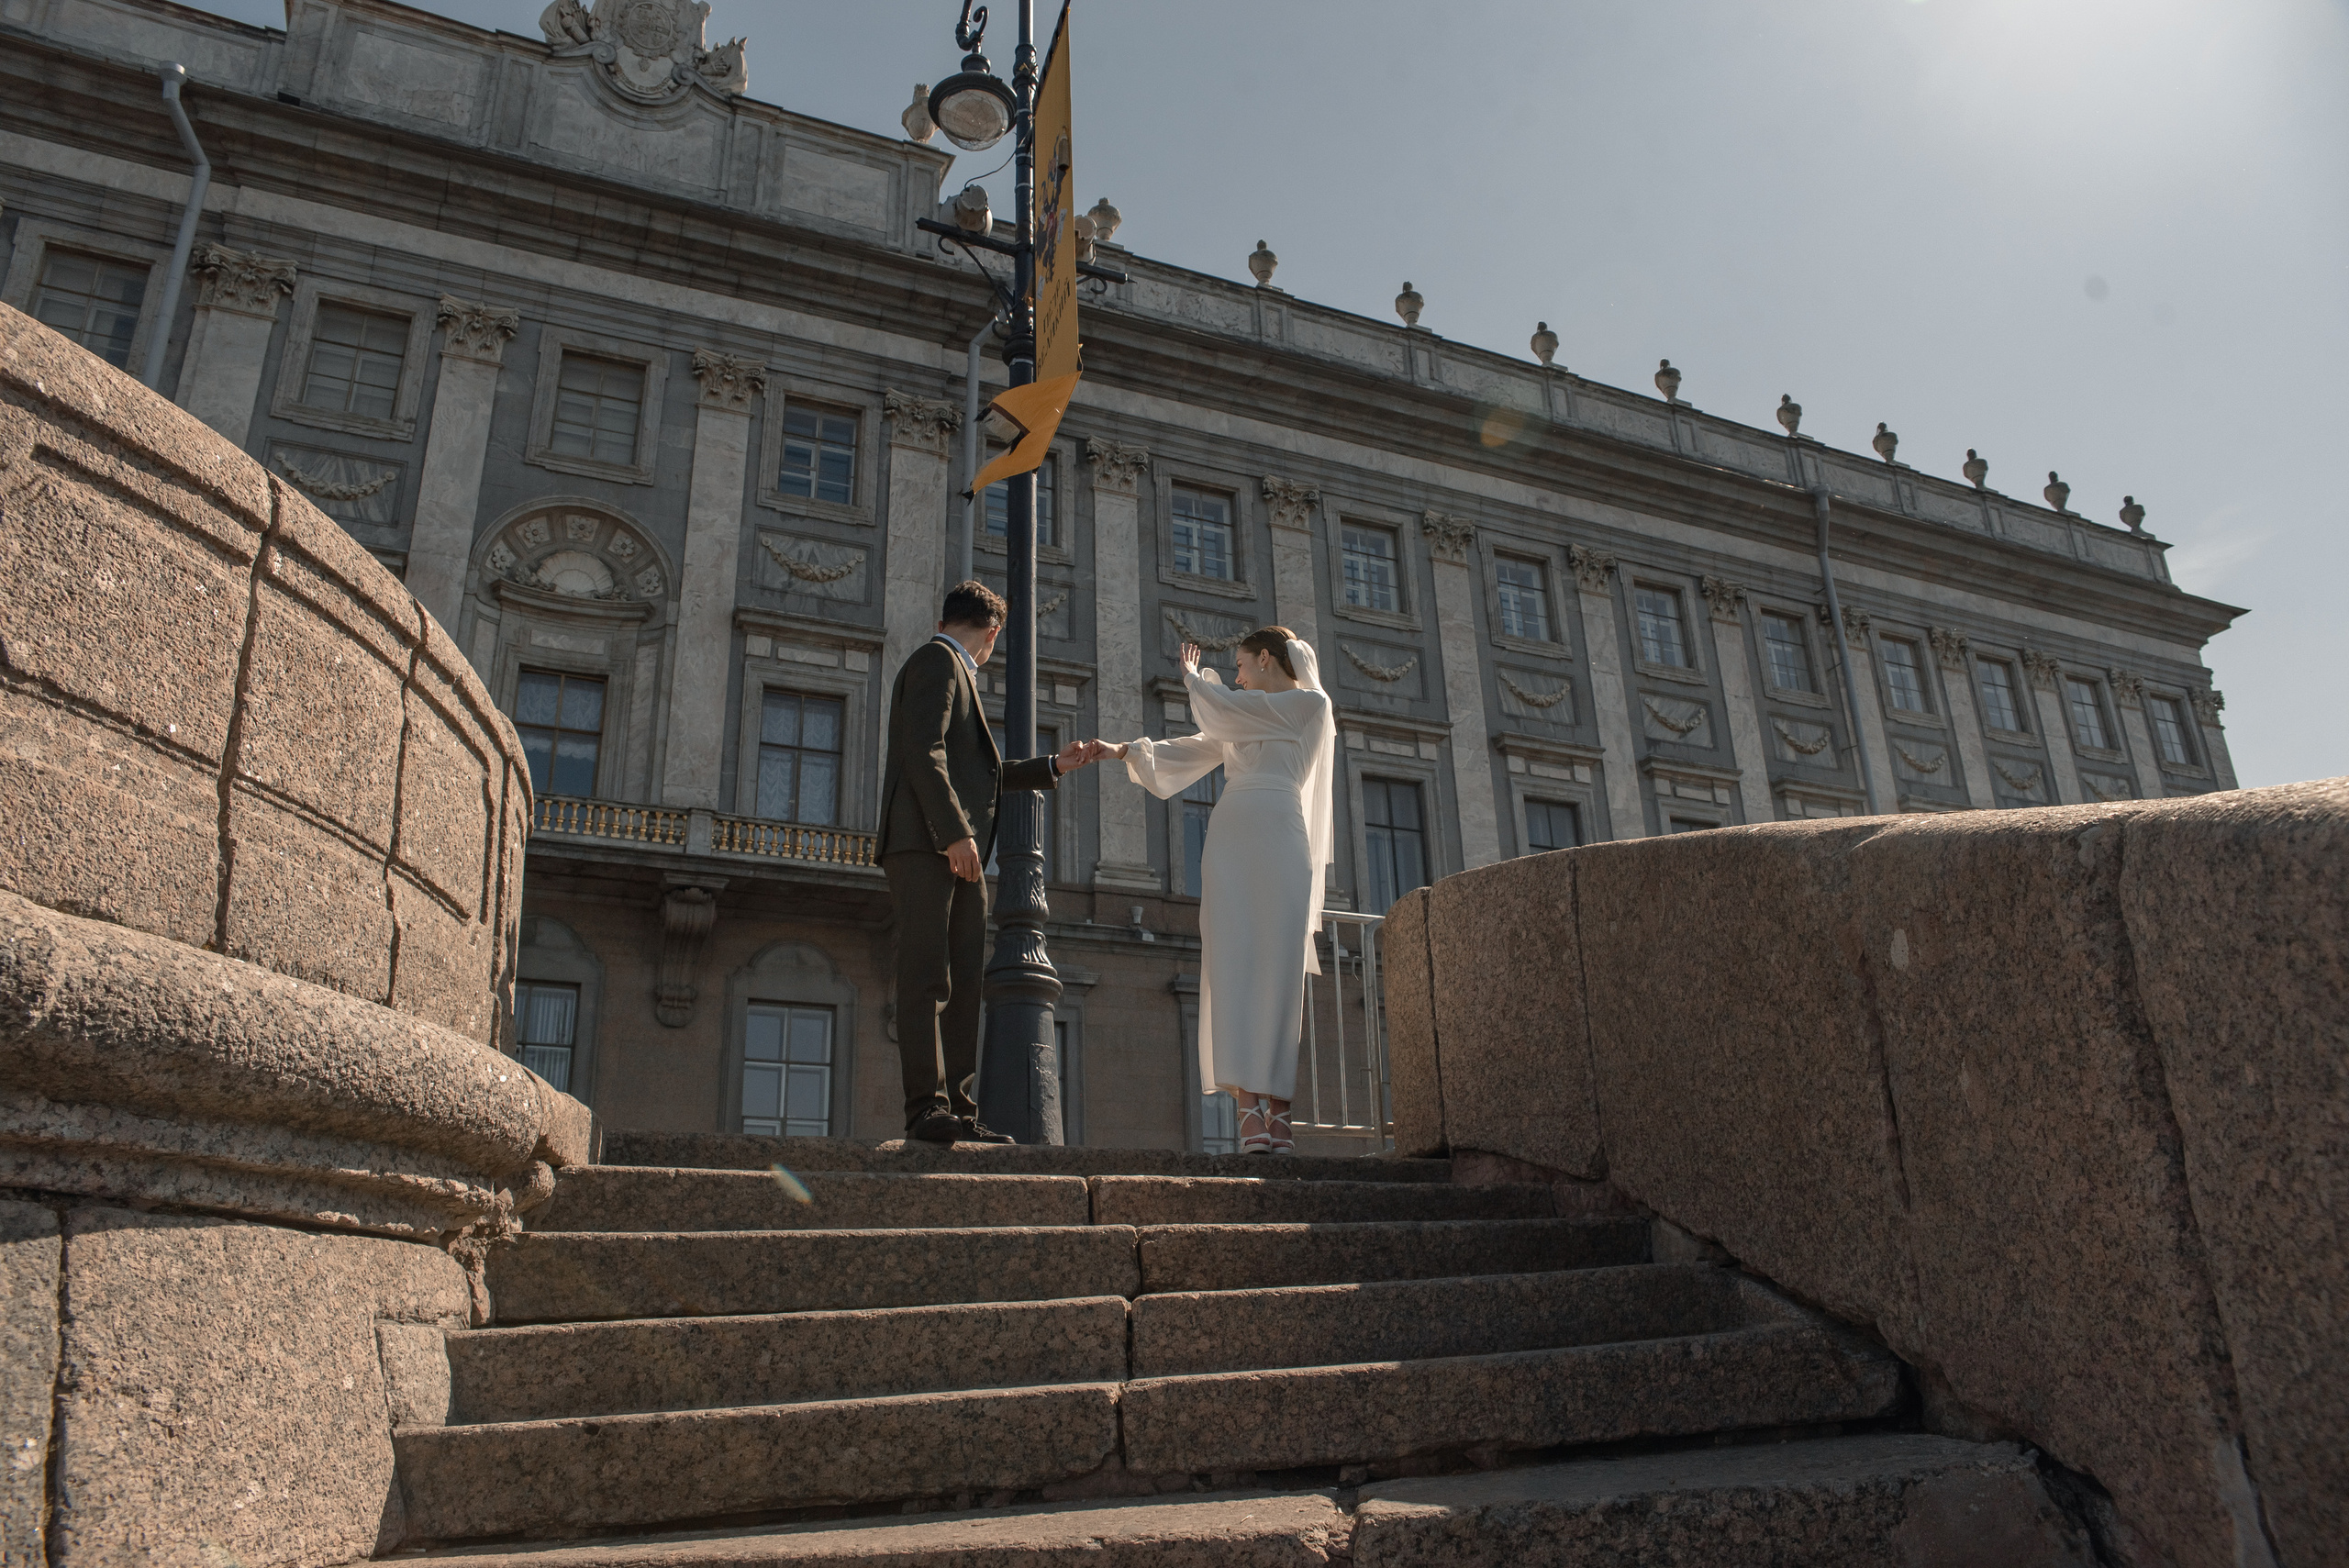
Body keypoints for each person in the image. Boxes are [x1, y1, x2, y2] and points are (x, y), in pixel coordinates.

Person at [881, 581, 1108, 1144]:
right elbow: (922, 752)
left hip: (959, 854)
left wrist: (1052, 765)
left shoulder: (955, 670)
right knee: (928, 978)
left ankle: (957, 1111)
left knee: (960, 984)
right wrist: (954, 834)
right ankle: (925, 1110)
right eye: (994, 644)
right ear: (992, 632)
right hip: (928, 846)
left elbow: (983, 775)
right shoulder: (937, 661)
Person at [1099, 628, 1335, 1154]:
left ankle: (1281, 1108)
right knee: (1231, 965)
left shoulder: (1310, 706)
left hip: (1282, 836)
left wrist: (1193, 680)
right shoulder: (1241, 712)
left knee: (1279, 970)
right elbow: (1198, 746)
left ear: (1267, 660)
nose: (1237, 675)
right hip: (1230, 840)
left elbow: (1224, 714)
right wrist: (1124, 751)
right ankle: (1248, 1105)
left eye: (1242, 666)